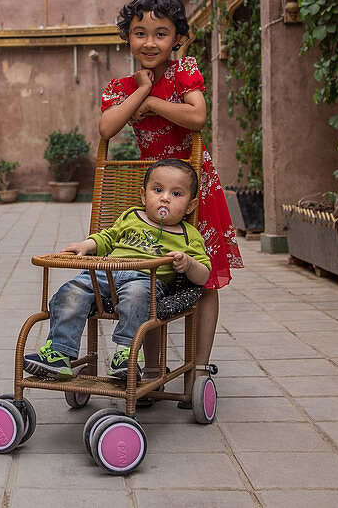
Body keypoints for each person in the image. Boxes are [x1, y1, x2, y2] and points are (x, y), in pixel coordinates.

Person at [98, 0, 244, 378]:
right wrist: (142, 89)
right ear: (127, 36)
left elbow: (197, 117)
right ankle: (151, 369)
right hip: (153, 190)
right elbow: (107, 127)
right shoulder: (120, 88)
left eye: (161, 33)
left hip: (196, 188)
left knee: (205, 276)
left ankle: (198, 368)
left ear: (178, 38)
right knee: (148, 275)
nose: (150, 42)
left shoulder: (184, 72)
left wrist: (154, 103)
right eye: (139, 32)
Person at [23, 158, 211, 382]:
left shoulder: (188, 235)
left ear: (190, 205)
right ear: (144, 196)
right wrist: (86, 245)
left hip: (144, 280)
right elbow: (107, 238)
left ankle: (126, 354)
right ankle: (60, 353)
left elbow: (204, 275)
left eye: (176, 194)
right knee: (71, 291)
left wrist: (189, 264)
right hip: (105, 273)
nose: (165, 198)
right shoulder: (132, 216)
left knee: (137, 298)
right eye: (158, 190)